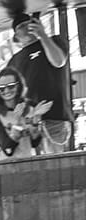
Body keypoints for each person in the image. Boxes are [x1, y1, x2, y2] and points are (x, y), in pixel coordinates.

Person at [5, 12, 71, 153]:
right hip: (28, 123)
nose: (27, 26)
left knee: (59, 167)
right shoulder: (14, 60)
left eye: (29, 22)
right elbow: (10, 94)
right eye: (21, 26)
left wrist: (43, 35)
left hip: (55, 117)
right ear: (16, 36)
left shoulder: (55, 40)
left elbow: (59, 61)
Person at [0, 69, 50, 159]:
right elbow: (8, 150)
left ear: (19, 86)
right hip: (7, 165)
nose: (7, 91)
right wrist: (18, 122)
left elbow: (35, 143)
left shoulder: (31, 107)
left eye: (11, 86)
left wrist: (36, 120)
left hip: (29, 162)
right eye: (1, 89)